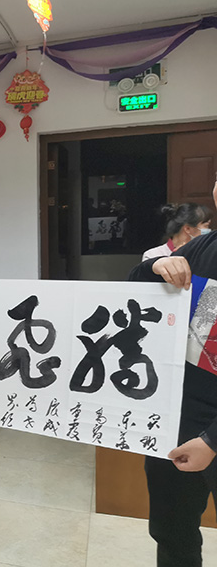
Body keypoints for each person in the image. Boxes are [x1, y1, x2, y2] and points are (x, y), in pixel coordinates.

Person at [129, 179, 217, 567]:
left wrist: (212, 440)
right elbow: (134, 288)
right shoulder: (203, 247)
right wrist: (155, 266)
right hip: (177, 425)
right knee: (172, 534)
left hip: (210, 433)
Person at [142, 202, 212, 261]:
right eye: (206, 226)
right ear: (187, 229)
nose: (209, 230)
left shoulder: (208, 255)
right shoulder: (153, 255)